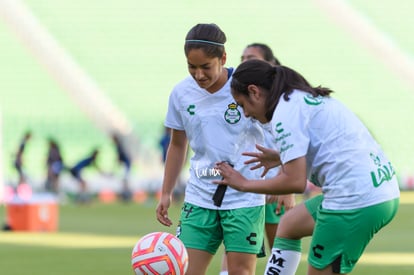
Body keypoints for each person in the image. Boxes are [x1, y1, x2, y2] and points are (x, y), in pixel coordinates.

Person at [215, 59, 400, 275]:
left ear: (254, 92)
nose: (245, 113)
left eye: (242, 104)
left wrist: (244, 183)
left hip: (354, 200)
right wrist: (281, 157)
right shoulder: (298, 98)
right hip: (382, 190)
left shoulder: (284, 114)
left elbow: (295, 181)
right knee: (290, 225)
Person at [155, 23, 267, 275]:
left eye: (205, 66)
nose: (198, 75)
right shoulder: (181, 93)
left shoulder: (248, 87)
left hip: (244, 198)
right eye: (191, 67)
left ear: (223, 58)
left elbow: (272, 133)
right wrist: (166, 192)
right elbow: (177, 143)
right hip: (200, 195)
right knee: (186, 271)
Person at [219, 43, 295, 275]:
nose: (244, 61)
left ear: (270, 65)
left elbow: (291, 146)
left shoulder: (284, 103)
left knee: (280, 244)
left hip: (274, 184)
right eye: (242, 57)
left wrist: (286, 185)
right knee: (235, 250)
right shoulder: (243, 97)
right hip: (246, 185)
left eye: (251, 58)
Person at [111, 133, 132, 201]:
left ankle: (126, 195)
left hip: (126, 165)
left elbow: (120, 157)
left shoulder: (119, 146)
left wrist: (117, 162)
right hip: (126, 164)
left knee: (124, 180)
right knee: (124, 180)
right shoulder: (120, 146)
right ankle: (126, 195)